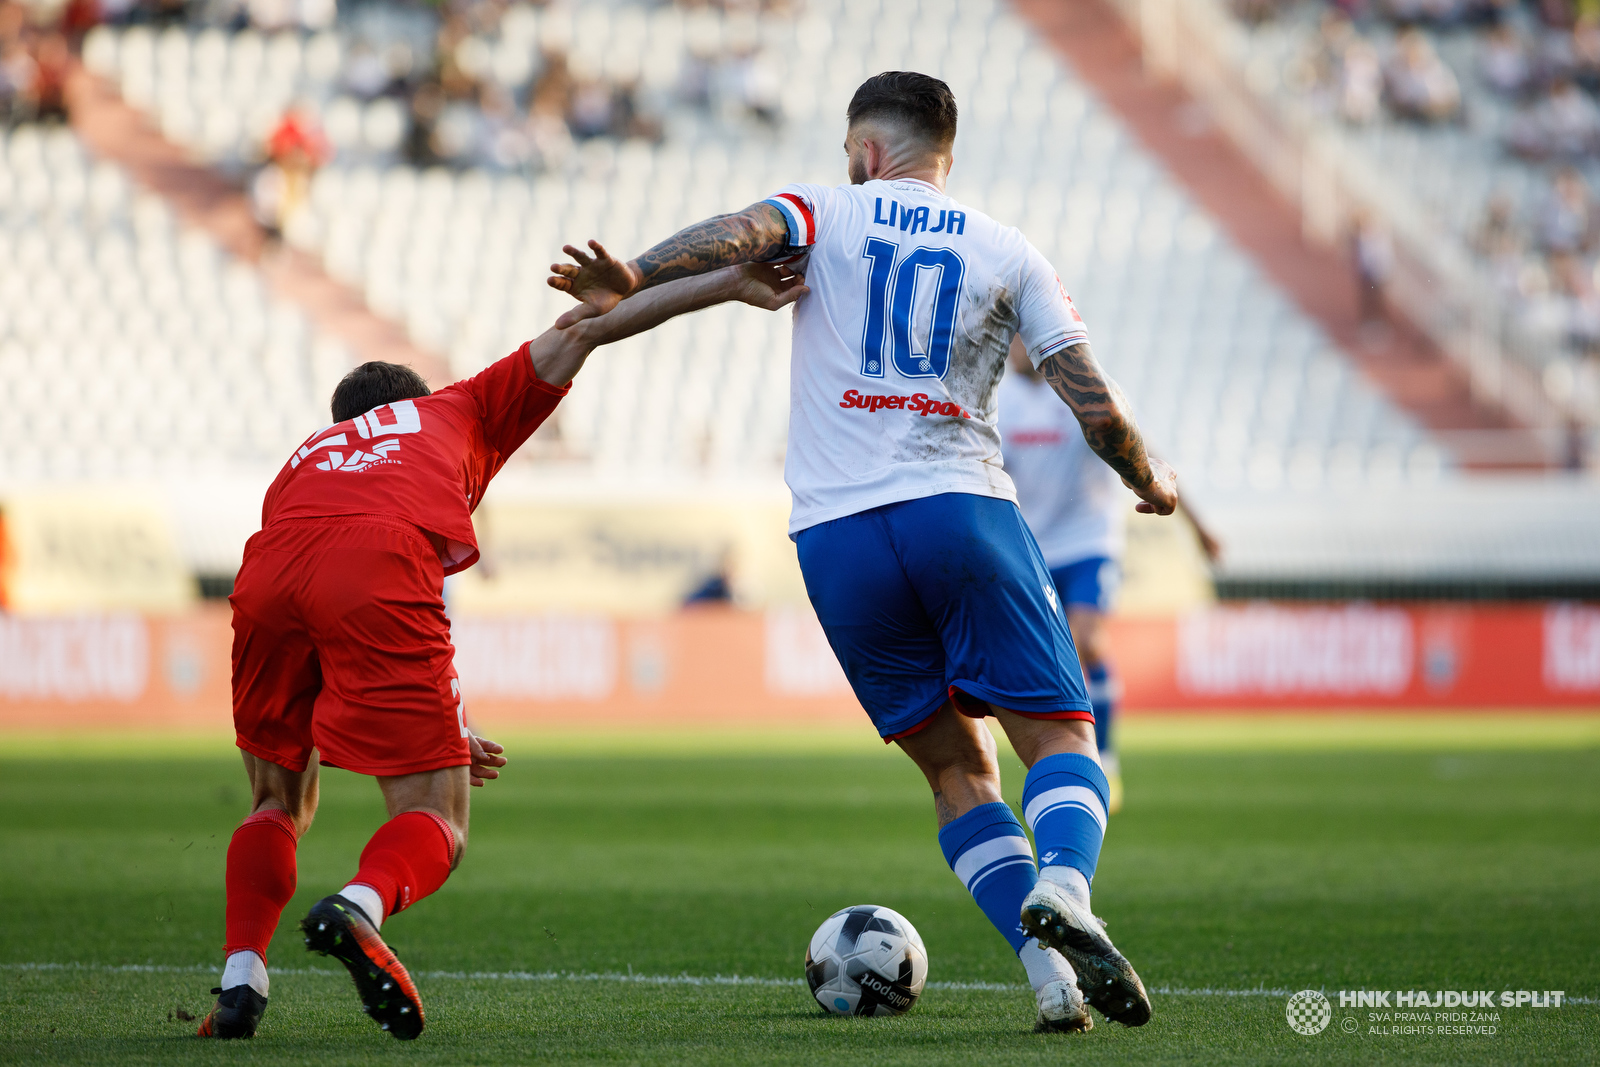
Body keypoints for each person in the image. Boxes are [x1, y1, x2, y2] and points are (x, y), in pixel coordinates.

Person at [548, 71, 1176, 1034]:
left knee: (958, 772)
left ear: (867, 150)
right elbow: (1090, 397)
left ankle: (1050, 976)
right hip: (958, 509)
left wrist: (635, 272)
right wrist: (1147, 479)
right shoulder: (1009, 251)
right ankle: (1066, 887)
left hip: (836, 539)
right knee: (1060, 735)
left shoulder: (824, 212)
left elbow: (738, 233)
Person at [198, 262, 806, 1041]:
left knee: (275, 801)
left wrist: (439, 727)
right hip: (377, 564)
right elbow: (589, 325)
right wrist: (729, 283)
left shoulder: (307, 457)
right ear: (416, 401)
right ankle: (360, 903)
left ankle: (241, 979)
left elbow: (318, 615)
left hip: (269, 562)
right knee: (435, 816)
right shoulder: (454, 407)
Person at [998, 339, 1220, 815]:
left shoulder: (1080, 390)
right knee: (1044, 657)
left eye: (1021, 335)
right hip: (1029, 544)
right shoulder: (997, 402)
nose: (1014, 346)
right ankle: (1071, 758)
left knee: (1088, 644)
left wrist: (1197, 526)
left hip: (1088, 540)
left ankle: (1100, 757)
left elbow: (1142, 447)